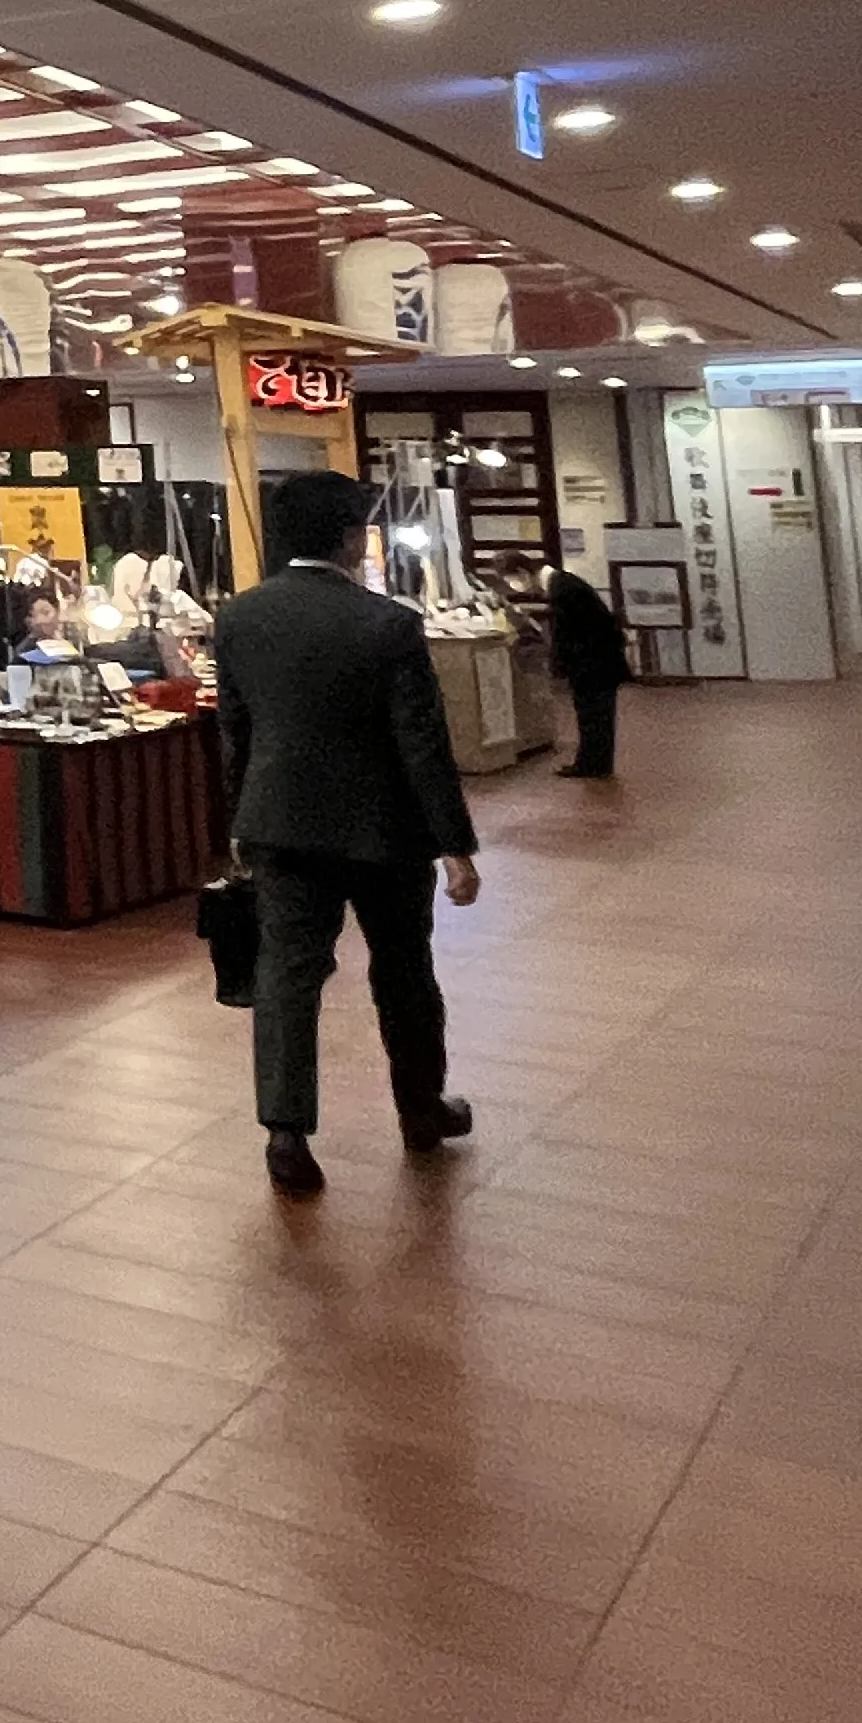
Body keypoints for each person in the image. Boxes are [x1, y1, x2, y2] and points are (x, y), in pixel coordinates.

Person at [213, 469, 482, 1199]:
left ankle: (286, 1133)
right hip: (384, 833)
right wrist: (455, 845)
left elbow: (234, 731)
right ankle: (421, 1111)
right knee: (403, 972)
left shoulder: (239, 617)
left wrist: (238, 822)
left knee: (287, 978)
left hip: (279, 826)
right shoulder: (387, 623)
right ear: (349, 536)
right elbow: (420, 741)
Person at [545, 564, 628, 778]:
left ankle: (593, 765)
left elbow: (567, 631)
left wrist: (559, 663)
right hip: (599, 660)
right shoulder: (566, 583)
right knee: (597, 714)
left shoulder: (561, 589)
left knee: (592, 714)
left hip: (591, 662)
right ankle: (594, 763)